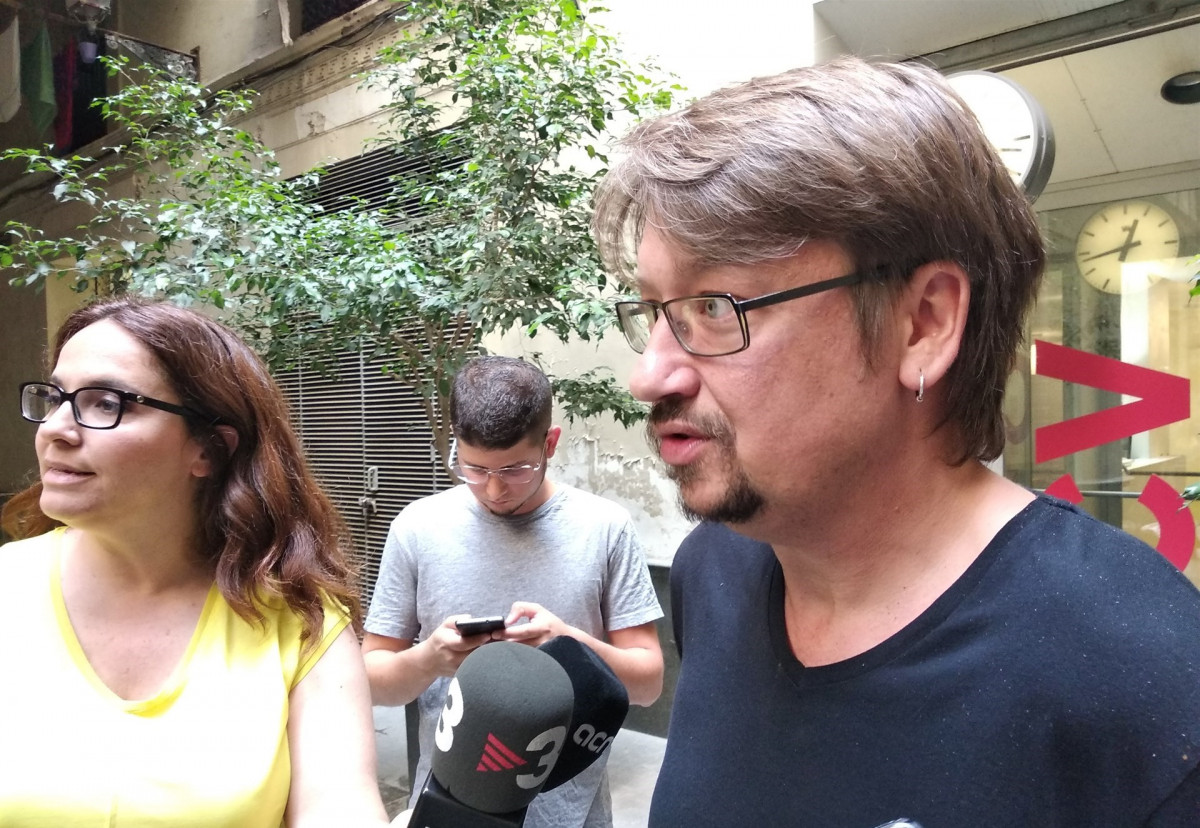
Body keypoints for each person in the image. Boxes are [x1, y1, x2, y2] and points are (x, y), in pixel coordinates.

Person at [591, 56, 1200, 827]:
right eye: (653, 310)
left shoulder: (1151, 679)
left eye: (715, 308)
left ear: (924, 324)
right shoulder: (713, 571)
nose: (649, 376)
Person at [0, 297, 389, 827]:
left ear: (208, 450)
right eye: (55, 398)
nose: (55, 429)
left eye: (105, 403)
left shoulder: (299, 621)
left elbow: (338, 805)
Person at [362, 355, 664, 828]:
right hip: (449, 810)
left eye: (515, 469)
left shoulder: (605, 528)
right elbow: (371, 681)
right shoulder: (416, 528)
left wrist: (568, 644)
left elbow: (648, 684)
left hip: (574, 816)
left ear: (550, 443)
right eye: (474, 469)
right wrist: (430, 660)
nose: (493, 489)